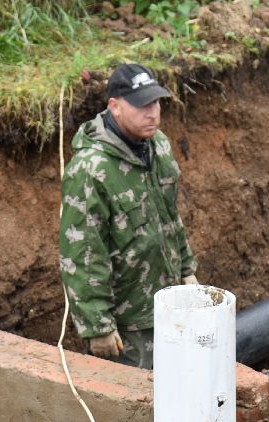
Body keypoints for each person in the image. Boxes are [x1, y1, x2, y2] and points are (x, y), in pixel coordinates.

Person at [59, 63, 198, 370]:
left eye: (156, 102)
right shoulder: (90, 169)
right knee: (136, 407)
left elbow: (170, 216)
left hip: (170, 303)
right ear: (115, 107)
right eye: (141, 105)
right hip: (129, 324)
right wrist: (98, 326)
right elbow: (82, 253)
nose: (152, 113)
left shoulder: (158, 145)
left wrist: (186, 269)